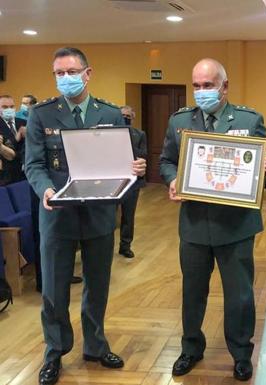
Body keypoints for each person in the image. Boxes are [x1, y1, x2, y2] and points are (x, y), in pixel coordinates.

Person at [25, 47, 146, 385]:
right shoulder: (42, 114)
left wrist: (135, 167)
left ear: (87, 73)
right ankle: (55, 351)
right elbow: (33, 164)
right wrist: (45, 189)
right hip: (57, 214)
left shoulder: (108, 112)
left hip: (98, 213)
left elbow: (123, 162)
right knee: (53, 288)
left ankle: (95, 345)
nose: (65, 79)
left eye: (71, 72)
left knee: (98, 284)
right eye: (58, 73)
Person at [160, 58, 266, 381]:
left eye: (208, 85)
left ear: (224, 87)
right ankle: (190, 348)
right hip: (195, 224)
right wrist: (172, 179)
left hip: (236, 225)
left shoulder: (248, 120)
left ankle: (241, 353)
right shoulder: (179, 122)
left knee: (239, 294)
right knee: (192, 291)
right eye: (196, 86)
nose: (201, 92)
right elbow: (167, 160)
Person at [118, 105, 147, 259]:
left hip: (133, 181)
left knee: (128, 216)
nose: (125, 118)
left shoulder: (139, 134)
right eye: (123, 115)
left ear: (133, 117)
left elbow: (142, 155)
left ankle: (125, 245)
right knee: (109, 216)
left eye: (128, 116)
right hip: (114, 180)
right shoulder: (112, 134)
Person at [0, 94, 27, 182]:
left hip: (28, 172)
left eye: (11, 106)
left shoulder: (24, 123)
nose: (9, 109)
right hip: (8, 176)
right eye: (4, 107)